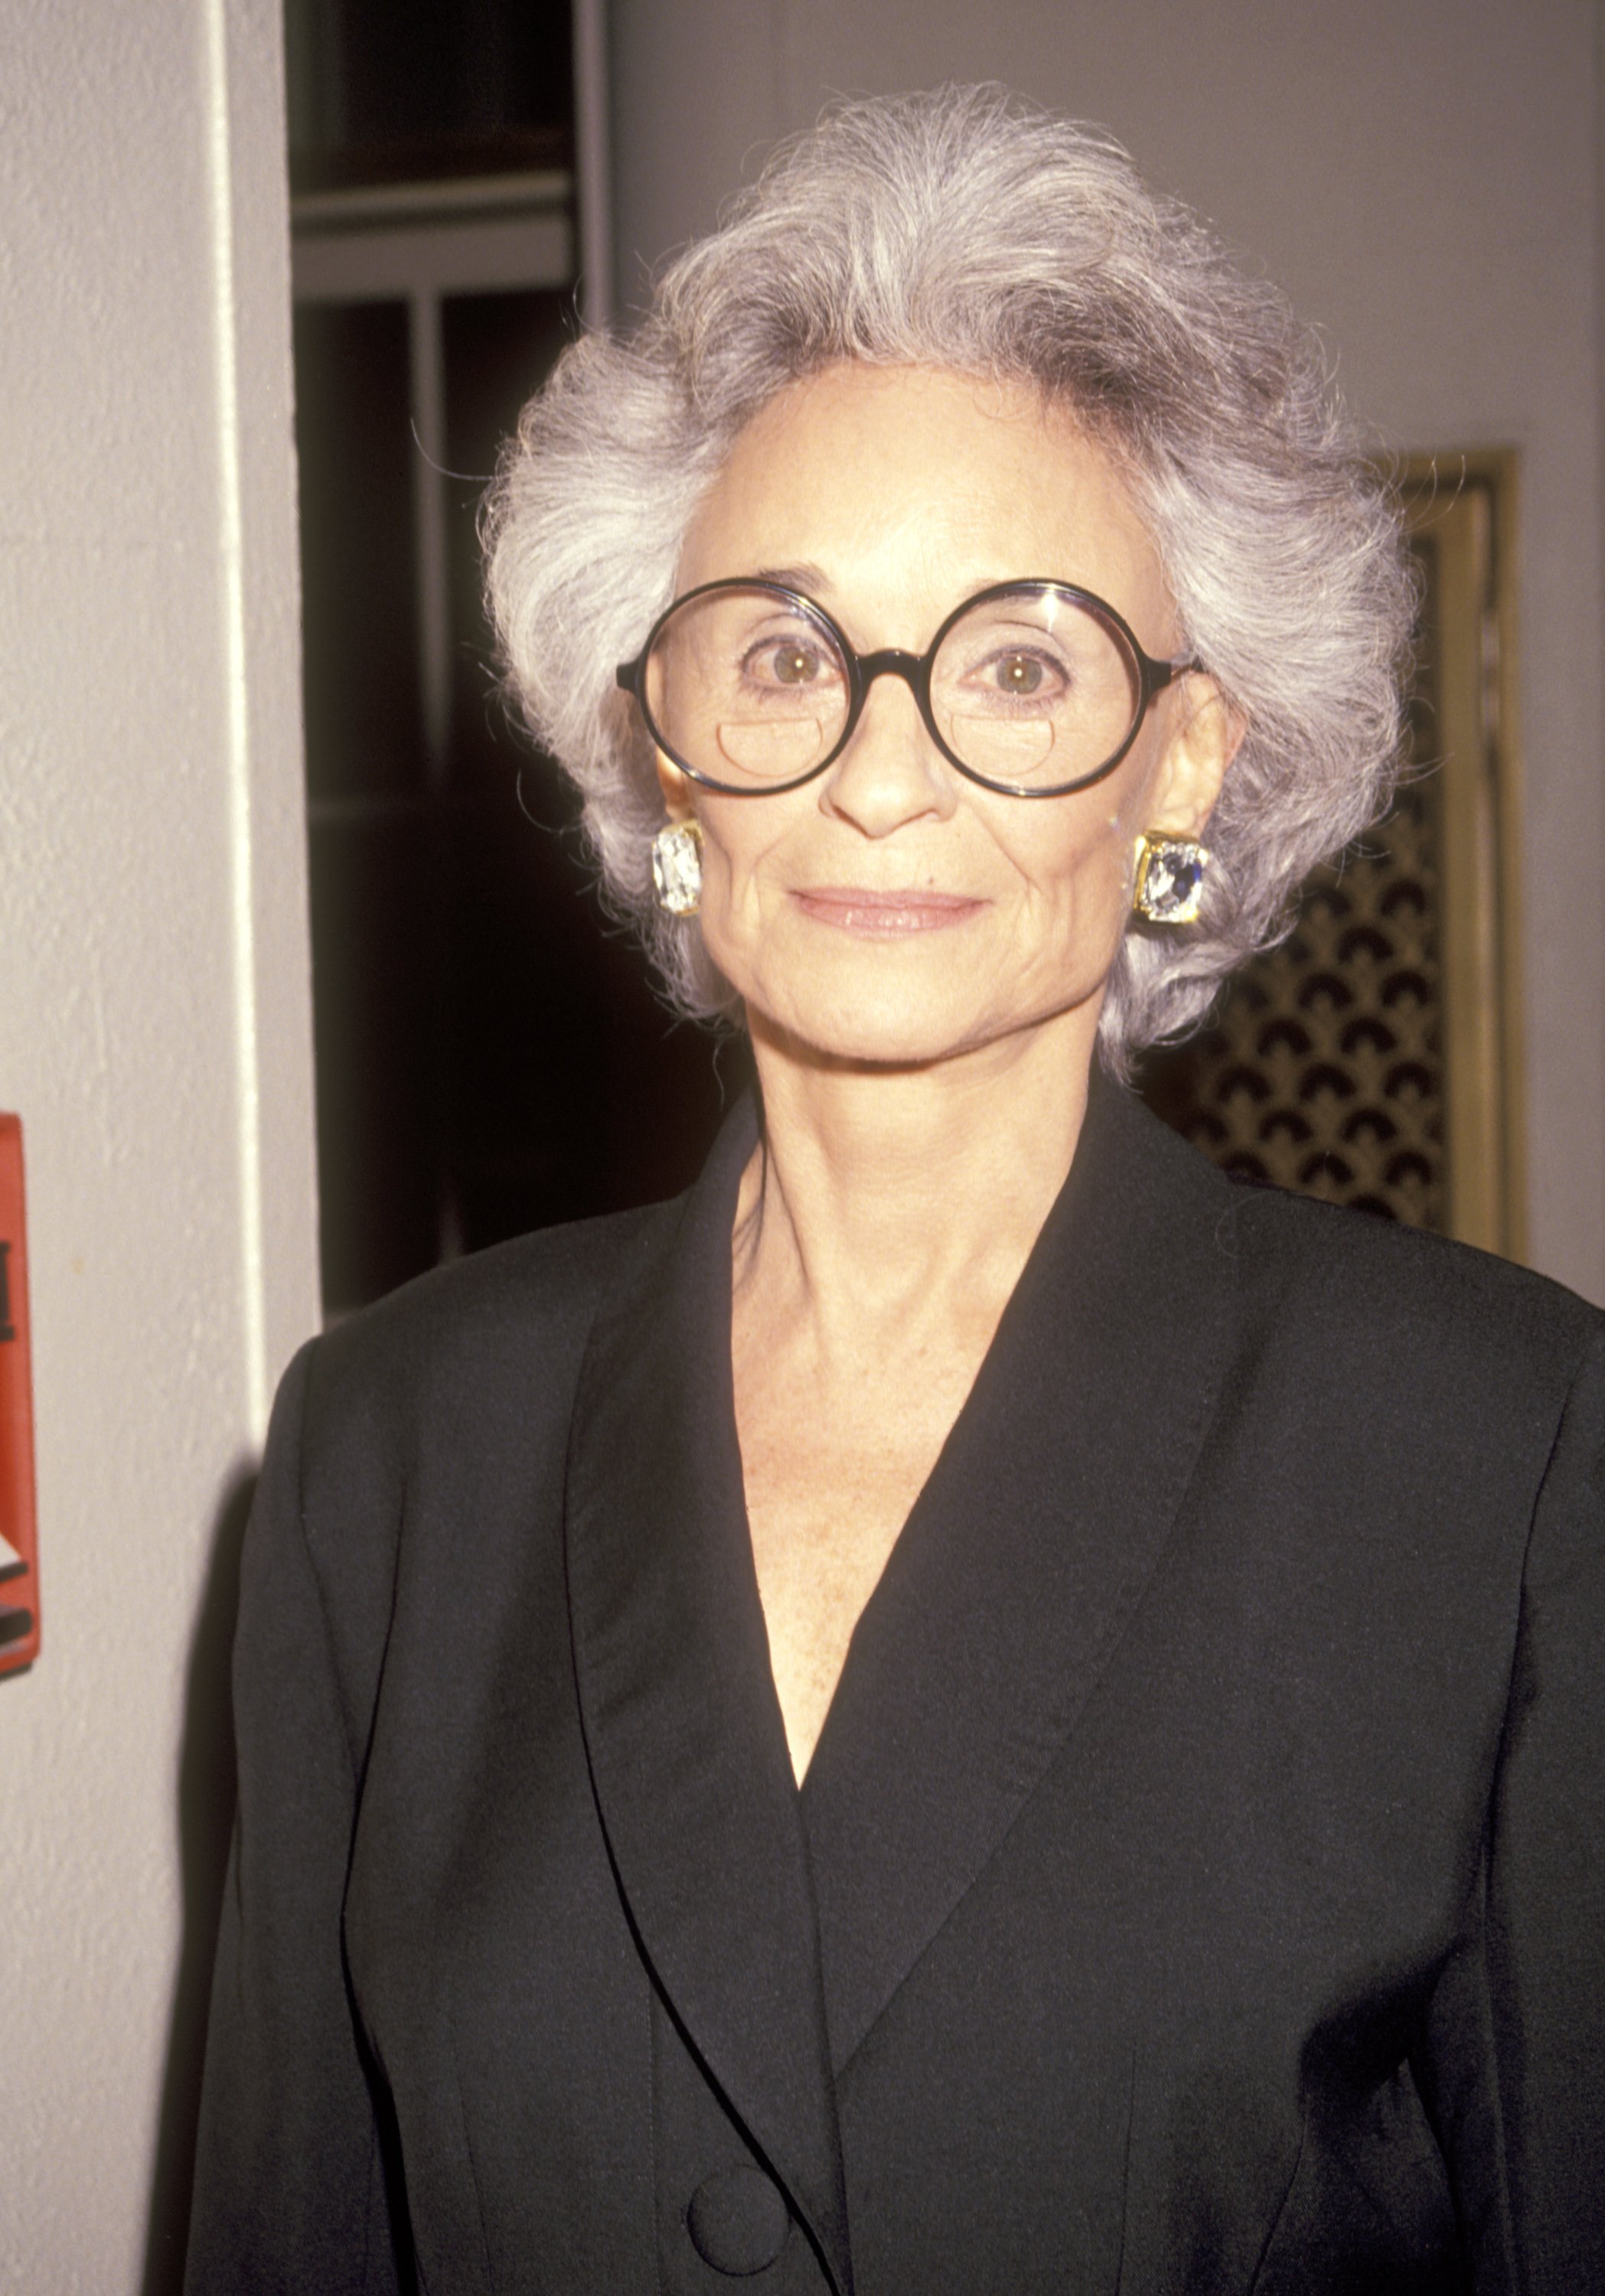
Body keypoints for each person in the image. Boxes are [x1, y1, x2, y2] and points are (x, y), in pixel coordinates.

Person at [184, 87, 1603, 2294]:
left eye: (1018, 665)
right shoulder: (384, 1456)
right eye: (779, 651)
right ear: (663, 745)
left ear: (1186, 762)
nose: (873, 763)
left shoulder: (1501, 1457)